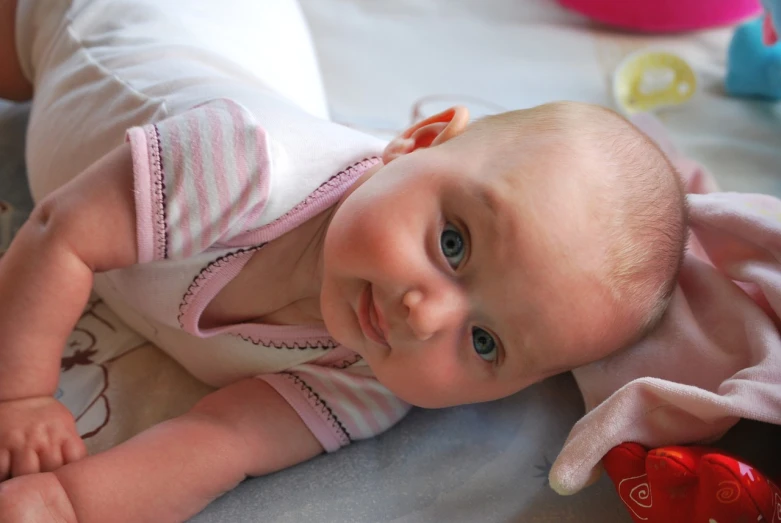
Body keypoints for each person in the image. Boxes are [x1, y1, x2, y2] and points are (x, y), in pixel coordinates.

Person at [0, 0, 687, 521]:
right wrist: (22, 395)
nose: (423, 315)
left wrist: (64, 500)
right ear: (416, 140)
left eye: (484, 341)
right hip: (103, 23)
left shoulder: (371, 380)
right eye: (452, 243)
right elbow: (61, 233)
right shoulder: (244, 160)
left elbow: (221, 441)